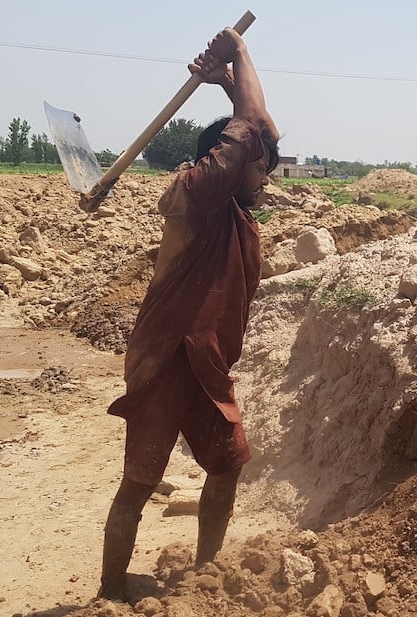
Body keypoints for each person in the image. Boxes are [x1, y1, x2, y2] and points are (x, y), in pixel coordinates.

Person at [97, 27, 279, 603]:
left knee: (226, 465)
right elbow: (251, 131)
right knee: (140, 479)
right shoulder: (198, 193)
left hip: (207, 361)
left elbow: (259, 130)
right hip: (170, 356)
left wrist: (226, 82)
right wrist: (241, 53)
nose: (264, 178)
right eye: (258, 169)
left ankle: (205, 570)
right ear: (226, 164)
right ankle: (109, 587)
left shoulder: (228, 203)